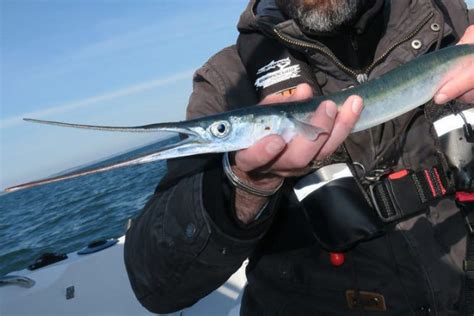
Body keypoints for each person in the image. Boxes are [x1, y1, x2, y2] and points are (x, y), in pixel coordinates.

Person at [124, 0, 474, 314]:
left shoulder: (456, 27)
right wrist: (246, 184)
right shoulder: (227, 81)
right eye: (222, 132)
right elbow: (156, 284)